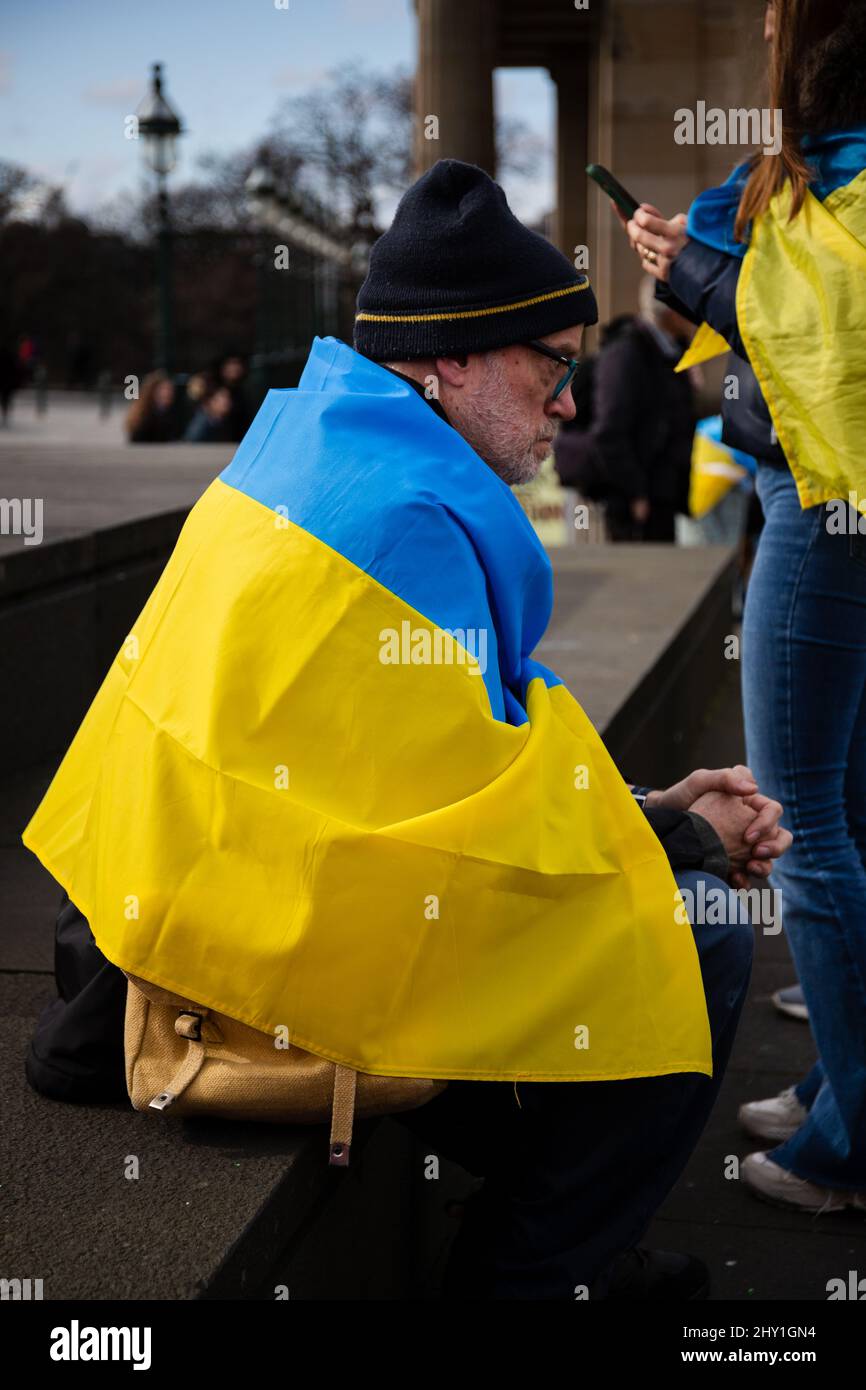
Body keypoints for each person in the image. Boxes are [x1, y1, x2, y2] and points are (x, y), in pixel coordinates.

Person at [21, 159, 792, 1301]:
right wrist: (674, 846)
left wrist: (648, 813)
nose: (569, 404)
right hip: (275, 954)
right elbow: (458, 836)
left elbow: (414, 780)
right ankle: (531, 1276)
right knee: (706, 938)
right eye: (551, 369)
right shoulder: (409, 517)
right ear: (452, 359)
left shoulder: (300, 448)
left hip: (194, 902)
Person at [616, 0, 866, 1213]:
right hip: (823, 490)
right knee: (849, 808)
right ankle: (837, 1089)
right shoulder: (814, 161)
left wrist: (701, 273)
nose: (760, 14)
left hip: (826, 501)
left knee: (803, 817)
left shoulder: (839, 166)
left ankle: (848, 1141)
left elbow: (827, 340)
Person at [553, 276, 698, 541]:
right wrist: (635, 493)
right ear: (669, 311)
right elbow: (609, 432)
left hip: (662, 499)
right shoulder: (627, 353)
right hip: (636, 507)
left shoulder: (673, 353)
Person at [125, 370, 184, 444]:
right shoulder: (143, 415)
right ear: (152, 391)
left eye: (169, 390)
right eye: (163, 389)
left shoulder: (173, 413)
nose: (167, 393)